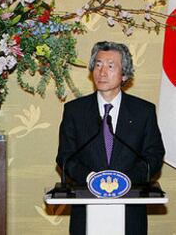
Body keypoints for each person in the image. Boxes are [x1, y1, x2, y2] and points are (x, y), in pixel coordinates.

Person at [56, 41, 165, 235]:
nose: (102, 72)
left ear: (124, 74)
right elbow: (65, 157)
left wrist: (125, 180)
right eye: (98, 65)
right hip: (86, 208)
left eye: (110, 66)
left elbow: (154, 156)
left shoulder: (144, 112)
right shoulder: (75, 111)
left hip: (130, 211)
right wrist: (91, 178)